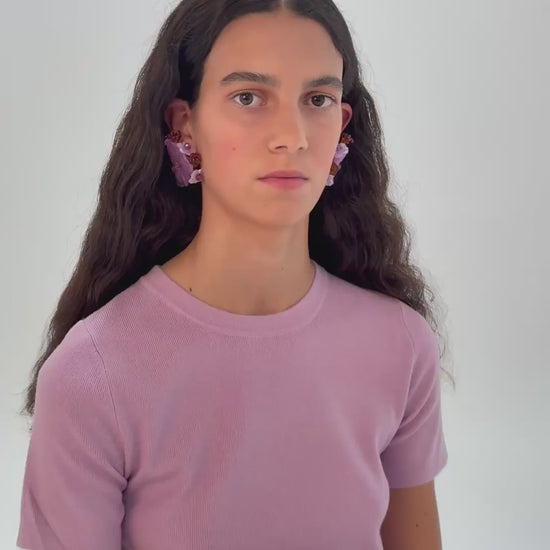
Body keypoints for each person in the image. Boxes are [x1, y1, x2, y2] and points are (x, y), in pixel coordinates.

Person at [16, 1, 453, 549]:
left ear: (342, 128)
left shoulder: (401, 344)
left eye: (317, 99)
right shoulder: (91, 376)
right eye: (248, 97)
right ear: (184, 124)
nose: (292, 135)